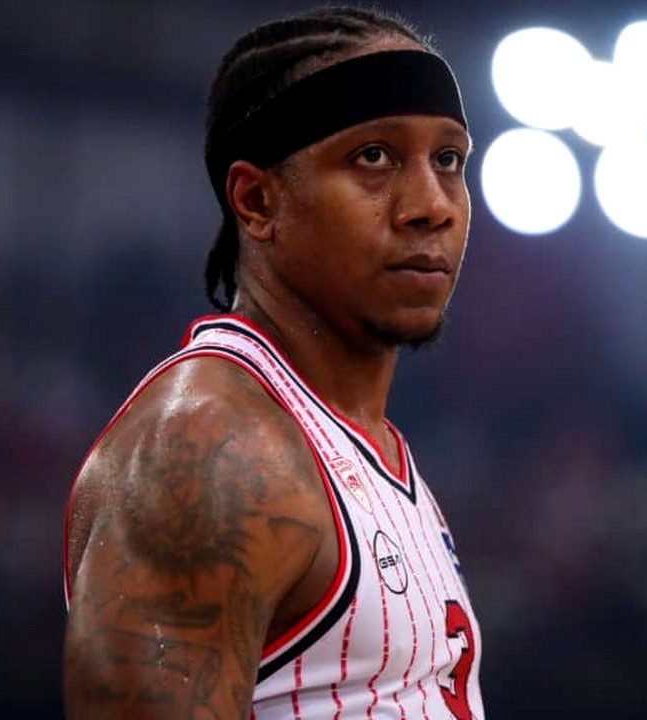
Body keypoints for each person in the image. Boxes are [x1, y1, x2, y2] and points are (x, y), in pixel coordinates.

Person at [62, 6, 483, 718]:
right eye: (373, 157)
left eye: (448, 160)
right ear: (258, 202)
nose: (430, 205)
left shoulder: (355, 440)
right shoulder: (213, 449)